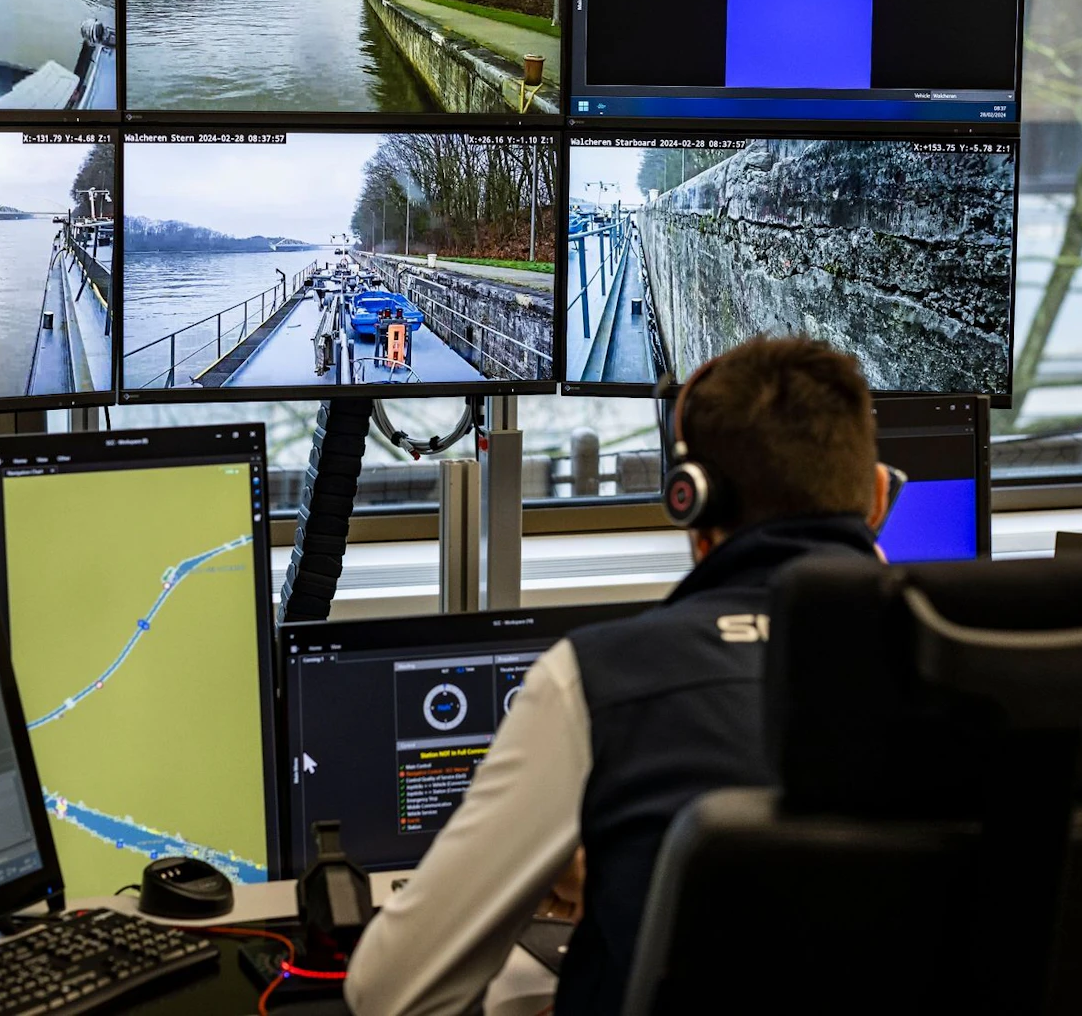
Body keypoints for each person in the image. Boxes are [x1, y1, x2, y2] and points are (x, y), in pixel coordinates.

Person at [344, 336, 894, 1015]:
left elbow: (391, 990)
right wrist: (628, 872)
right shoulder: (1010, 667)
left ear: (688, 504)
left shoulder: (596, 683)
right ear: (875, 497)